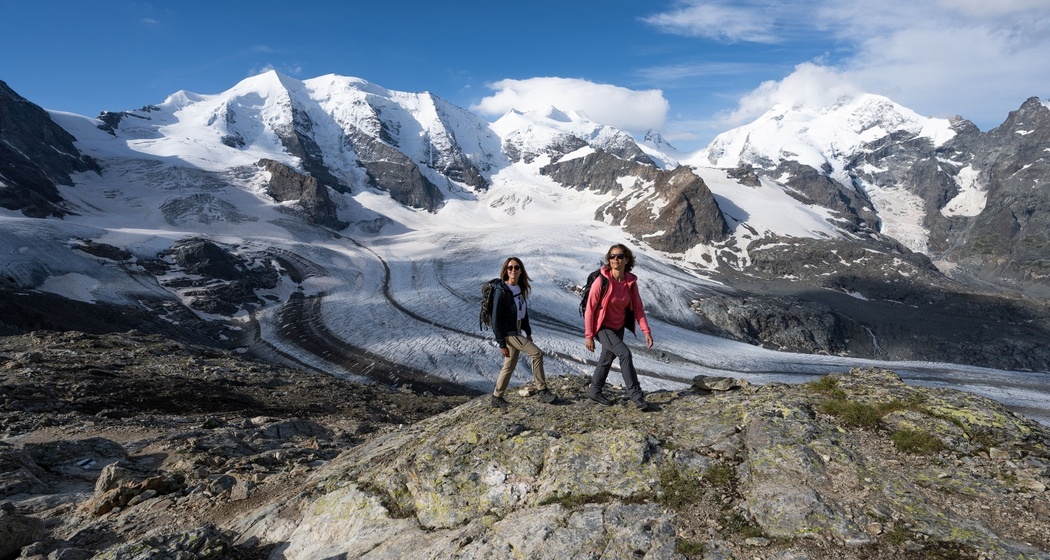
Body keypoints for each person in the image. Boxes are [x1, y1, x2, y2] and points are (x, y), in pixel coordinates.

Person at [583, 244, 654, 410]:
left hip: (618, 327)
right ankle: (636, 396)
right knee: (624, 354)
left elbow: (638, 309)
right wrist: (589, 335)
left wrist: (646, 331)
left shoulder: (630, 283)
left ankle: (594, 392)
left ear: (626, 259)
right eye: (612, 256)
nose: (616, 259)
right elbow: (590, 309)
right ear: (608, 260)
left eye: (620, 256)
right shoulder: (601, 281)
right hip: (602, 327)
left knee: (607, 359)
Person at [489, 257, 556, 408]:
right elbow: (496, 319)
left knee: (509, 364)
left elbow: (523, 313)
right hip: (509, 332)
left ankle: (496, 397)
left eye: (516, 267)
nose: (513, 270)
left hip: (517, 329)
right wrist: (501, 343)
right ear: (506, 271)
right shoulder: (501, 291)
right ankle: (542, 390)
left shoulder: (519, 288)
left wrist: (528, 332)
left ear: (521, 270)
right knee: (536, 353)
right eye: (510, 267)